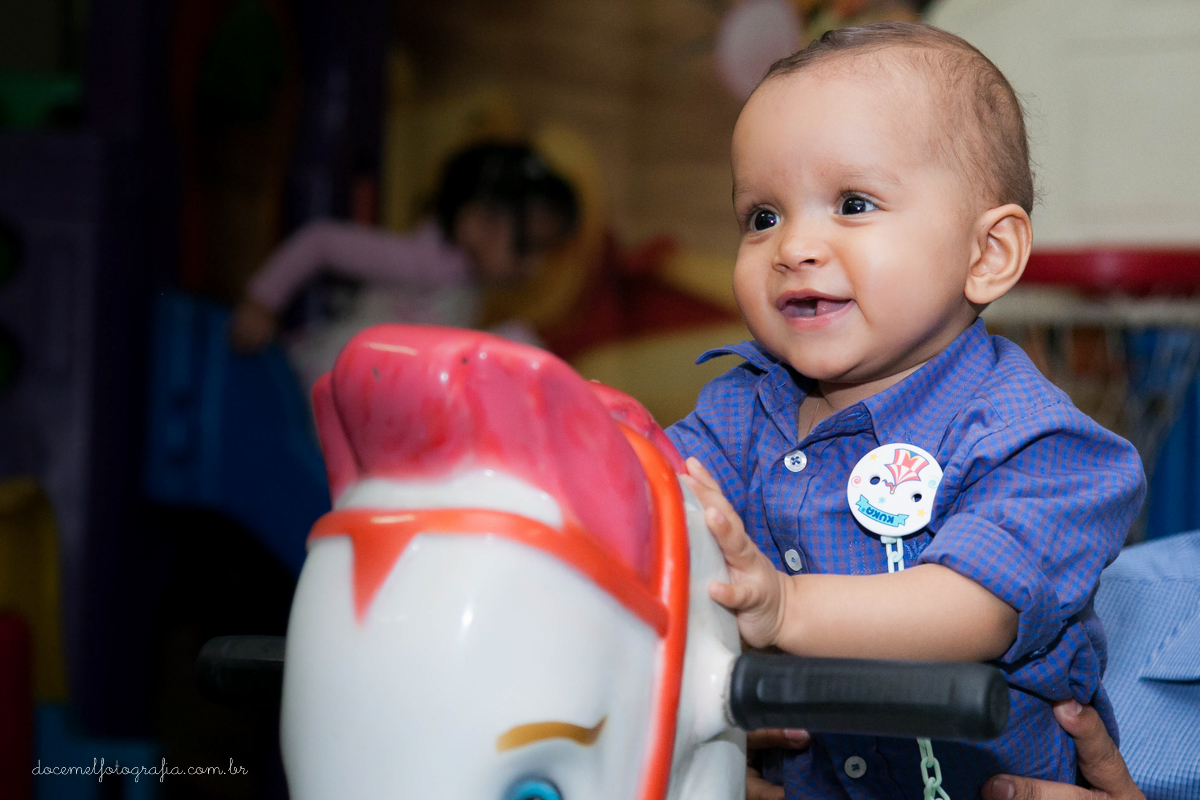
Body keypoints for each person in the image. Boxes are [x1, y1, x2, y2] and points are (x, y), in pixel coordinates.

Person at [664, 22, 1146, 800]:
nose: (792, 246)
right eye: (761, 216)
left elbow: (972, 609)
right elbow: (655, 507)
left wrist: (785, 607)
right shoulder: (737, 412)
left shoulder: (1039, 441)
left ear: (986, 255)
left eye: (852, 203)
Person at [228, 142, 578, 390]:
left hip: (386, 389)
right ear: (476, 222)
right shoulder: (421, 260)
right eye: (526, 246)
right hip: (342, 382)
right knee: (518, 342)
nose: (532, 266)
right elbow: (321, 241)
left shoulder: (466, 280)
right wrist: (261, 302)